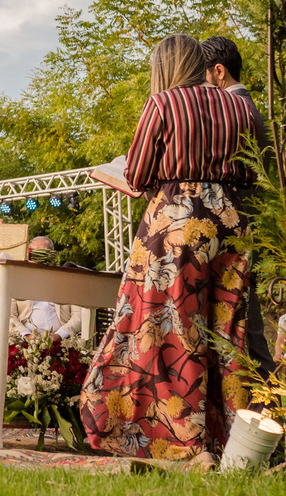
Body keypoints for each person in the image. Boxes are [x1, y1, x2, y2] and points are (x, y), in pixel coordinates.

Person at [80, 33, 261, 460]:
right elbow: (254, 171)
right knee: (225, 331)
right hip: (232, 225)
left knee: (162, 326)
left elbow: (138, 175)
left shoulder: (163, 103)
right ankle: (233, 439)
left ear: (164, 68)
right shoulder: (241, 107)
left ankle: (174, 437)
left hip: (177, 224)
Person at [201, 36, 275, 385]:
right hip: (238, 223)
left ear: (219, 71)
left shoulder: (234, 109)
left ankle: (266, 401)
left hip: (233, 224)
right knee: (244, 318)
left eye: (202, 76)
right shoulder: (245, 107)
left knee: (246, 321)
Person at [10, 237, 82, 340]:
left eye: (43, 252)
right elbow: (9, 315)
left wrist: (60, 335)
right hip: (25, 341)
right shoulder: (17, 281)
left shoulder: (67, 281)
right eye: (33, 253)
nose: (38, 258)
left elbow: (79, 315)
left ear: (53, 255)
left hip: (63, 341)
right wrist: (26, 335)